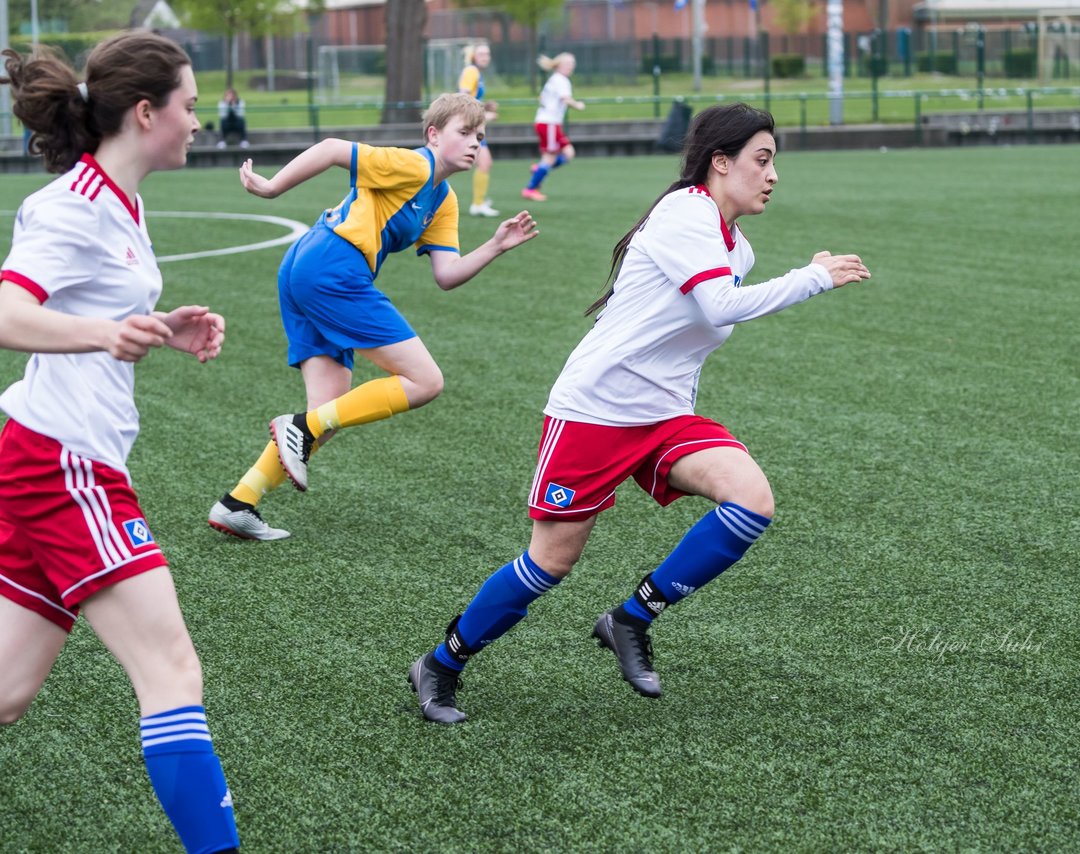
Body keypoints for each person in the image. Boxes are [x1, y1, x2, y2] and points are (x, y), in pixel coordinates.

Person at [409, 103, 871, 724]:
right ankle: (441, 663)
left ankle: (630, 618)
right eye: (762, 160)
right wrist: (813, 277)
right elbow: (720, 303)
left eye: (774, 163)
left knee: (752, 500)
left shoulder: (739, 247)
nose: (772, 175)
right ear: (720, 162)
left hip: (663, 417)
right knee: (551, 563)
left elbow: (712, 310)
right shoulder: (684, 213)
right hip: (595, 411)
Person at [0, 32, 240, 852]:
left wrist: (159, 329)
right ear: (148, 111)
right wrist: (105, 332)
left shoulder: (118, 198)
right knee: (171, 672)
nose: (199, 120)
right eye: (191, 104)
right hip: (65, 464)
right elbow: (6, 313)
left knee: (5, 691)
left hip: (48, 456)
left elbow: (95, 309)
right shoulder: (72, 204)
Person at [208, 92, 538, 541]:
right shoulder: (414, 164)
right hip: (331, 266)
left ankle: (238, 503)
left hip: (308, 266)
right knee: (426, 381)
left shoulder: (443, 200)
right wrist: (271, 188)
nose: (474, 144)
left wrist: (495, 246)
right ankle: (299, 428)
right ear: (434, 134)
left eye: (480, 136)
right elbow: (329, 150)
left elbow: (447, 274)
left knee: (329, 410)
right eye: (464, 133)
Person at [521, 52, 585, 203]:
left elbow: (544, 98)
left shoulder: (554, 80)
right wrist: (579, 105)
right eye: (568, 64)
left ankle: (539, 170)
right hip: (548, 123)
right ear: (560, 65)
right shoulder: (561, 80)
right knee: (549, 157)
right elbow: (566, 99)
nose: (571, 67)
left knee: (569, 153)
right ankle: (530, 188)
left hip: (550, 123)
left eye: (572, 64)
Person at [458, 43, 499, 218]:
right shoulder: (471, 71)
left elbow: (472, 99)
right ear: (474, 56)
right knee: (484, 163)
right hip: (471, 126)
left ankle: (479, 201)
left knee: (485, 163)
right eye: (481, 53)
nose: (485, 56)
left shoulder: (476, 72)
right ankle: (477, 204)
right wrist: (483, 114)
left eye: (487, 53)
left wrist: (485, 105)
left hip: (474, 125)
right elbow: (463, 97)